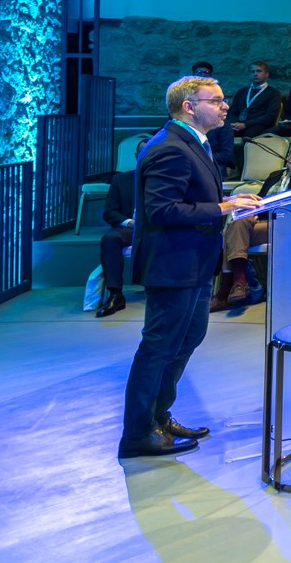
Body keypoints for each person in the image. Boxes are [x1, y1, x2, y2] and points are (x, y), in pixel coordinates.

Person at [119, 77, 261, 459]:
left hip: (194, 263)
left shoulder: (191, 143)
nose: (225, 106)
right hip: (173, 264)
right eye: (216, 100)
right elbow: (162, 210)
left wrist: (228, 199)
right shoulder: (169, 148)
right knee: (159, 347)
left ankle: (158, 417)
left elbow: (188, 198)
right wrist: (221, 209)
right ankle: (137, 433)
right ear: (189, 106)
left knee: (186, 340)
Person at [216, 140, 291, 310]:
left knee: (231, 230)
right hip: (263, 223)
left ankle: (229, 287)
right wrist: (255, 212)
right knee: (238, 222)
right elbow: (259, 199)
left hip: (286, 225)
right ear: (287, 157)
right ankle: (238, 283)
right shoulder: (275, 175)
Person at [96, 170, 136, 317]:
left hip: (159, 227)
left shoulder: (168, 176)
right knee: (110, 239)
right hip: (131, 227)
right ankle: (115, 294)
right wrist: (130, 222)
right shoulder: (121, 180)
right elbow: (109, 212)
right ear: (137, 156)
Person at [228, 61, 283, 140]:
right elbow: (232, 112)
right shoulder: (242, 91)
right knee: (222, 132)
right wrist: (234, 123)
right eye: (252, 71)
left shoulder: (273, 93)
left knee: (249, 135)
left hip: (259, 124)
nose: (255, 74)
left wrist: (246, 124)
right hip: (239, 124)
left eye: (259, 71)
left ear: (266, 74)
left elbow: (270, 116)